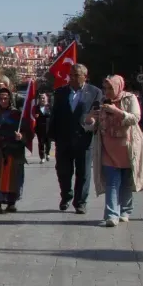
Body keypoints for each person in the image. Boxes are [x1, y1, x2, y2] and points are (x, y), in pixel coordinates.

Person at [82, 75, 143, 226]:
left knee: (126, 183)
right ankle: (111, 215)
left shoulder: (129, 99)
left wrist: (116, 111)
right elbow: (92, 126)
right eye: (105, 88)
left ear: (118, 87)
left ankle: (125, 211)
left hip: (128, 149)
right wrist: (89, 119)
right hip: (107, 150)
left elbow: (135, 118)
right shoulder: (102, 102)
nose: (107, 91)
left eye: (110, 88)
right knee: (112, 183)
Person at [49, 63, 103, 213]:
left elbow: (98, 113)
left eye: (76, 75)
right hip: (63, 139)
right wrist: (51, 135)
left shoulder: (95, 92)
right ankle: (66, 195)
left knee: (83, 172)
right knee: (63, 171)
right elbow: (55, 115)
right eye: (70, 75)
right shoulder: (60, 92)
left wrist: (91, 122)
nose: (72, 78)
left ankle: (80, 202)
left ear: (85, 76)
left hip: (84, 138)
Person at [33, 92, 52, 162]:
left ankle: (47, 153)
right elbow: (33, 116)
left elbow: (51, 115)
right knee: (41, 143)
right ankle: (42, 157)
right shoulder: (36, 107)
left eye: (44, 98)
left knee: (48, 143)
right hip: (40, 128)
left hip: (48, 128)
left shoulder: (49, 107)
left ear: (46, 99)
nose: (42, 99)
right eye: (41, 98)